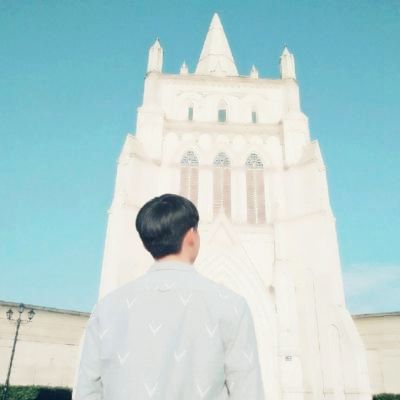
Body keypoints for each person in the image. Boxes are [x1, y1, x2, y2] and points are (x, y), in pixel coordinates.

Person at [73, 193, 265, 399]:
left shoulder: (107, 308)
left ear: (146, 243)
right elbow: (247, 391)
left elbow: (87, 390)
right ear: (191, 236)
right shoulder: (231, 305)